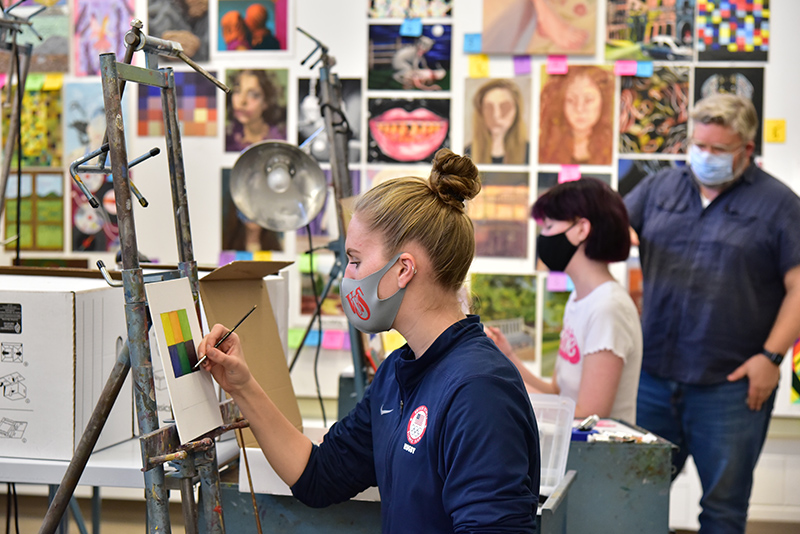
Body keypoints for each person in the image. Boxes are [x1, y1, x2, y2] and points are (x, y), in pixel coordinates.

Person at [199, 148, 541, 532]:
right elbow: (319, 475)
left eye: (356, 261)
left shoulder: (478, 390)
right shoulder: (399, 373)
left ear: (404, 269)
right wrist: (241, 385)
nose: (348, 275)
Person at [624, 93, 800, 534]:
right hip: (654, 380)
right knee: (631, 498)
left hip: (732, 387)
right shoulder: (661, 188)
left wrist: (772, 358)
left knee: (722, 510)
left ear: (747, 150)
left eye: (718, 150)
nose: (705, 156)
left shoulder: (779, 205)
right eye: (698, 145)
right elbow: (616, 234)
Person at [486, 178, 643, 422]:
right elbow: (558, 393)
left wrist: (500, 385)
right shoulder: (579, 299)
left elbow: (589, 415)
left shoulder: (608, 308)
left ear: (581, 229)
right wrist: (508, 358)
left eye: (548, 226)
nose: (543, 237)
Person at [538, 66, 614, 165]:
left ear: (603, 101)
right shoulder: (544, 145)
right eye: (571, 100)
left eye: (588, 100)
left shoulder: (613, 145)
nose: (579, 109)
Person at [465, 78, 529, 165]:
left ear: (517, 111)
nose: (496, 115)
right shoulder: (467, 154)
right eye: (489, 107)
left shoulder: (530, 153)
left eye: (504, 107)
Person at [225, 69, 286, 153]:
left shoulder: (282, 139)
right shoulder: (227, 138)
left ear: (266, 101)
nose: (242, 101)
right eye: (237, 91)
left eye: (253, 95)